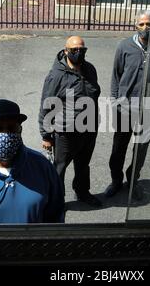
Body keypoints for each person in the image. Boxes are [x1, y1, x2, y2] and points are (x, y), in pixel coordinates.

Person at [105, 10, 150, 201]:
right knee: (119, 147)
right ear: (136, 26)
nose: (145, 27)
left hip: (149, 108)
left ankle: (133, 180)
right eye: (142, 24)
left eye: (149, 24)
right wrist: (115, 100)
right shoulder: (124, 46)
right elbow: (116, 75)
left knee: (140, 148)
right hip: (125, 107)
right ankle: (116, 181)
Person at [39, 36, 102, 207]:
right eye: (74, 50)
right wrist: (46, 136)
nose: (78, 53)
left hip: (89, 129)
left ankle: (82, 192)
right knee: (60, 167)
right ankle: (57, 200)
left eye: (82, 50)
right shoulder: (56, 76)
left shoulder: (90, 69)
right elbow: (47, 105)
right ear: (66, 51)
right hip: (66, 132)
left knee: (83, 165)